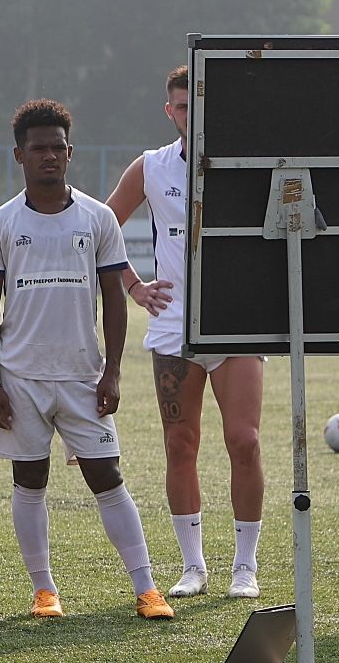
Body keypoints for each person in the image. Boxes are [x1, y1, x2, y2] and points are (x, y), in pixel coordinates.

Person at [0, 99, 173, 622]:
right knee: (30, 479)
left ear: (70, 153)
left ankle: (147, 588)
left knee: (107, 476)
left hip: (84, 376)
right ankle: (44, 591)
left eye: (57, 148)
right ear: (19, 155)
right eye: (38, 148)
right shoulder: (0, 223)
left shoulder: (98, 217)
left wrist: (111, 370)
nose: (49, 157)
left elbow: (113, 297)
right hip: (21, 377)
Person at [102, 65, 266, 600]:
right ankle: (194, 566)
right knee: (181, 444)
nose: (188, 115)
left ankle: (245, 566)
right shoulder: (150, 167)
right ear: (169, 111)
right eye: (180, 106)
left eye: (196, 105)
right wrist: (133, 286)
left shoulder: (248, 161)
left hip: (238, 323)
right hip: (174, 327)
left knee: (244, 441)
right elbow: (103, 228)